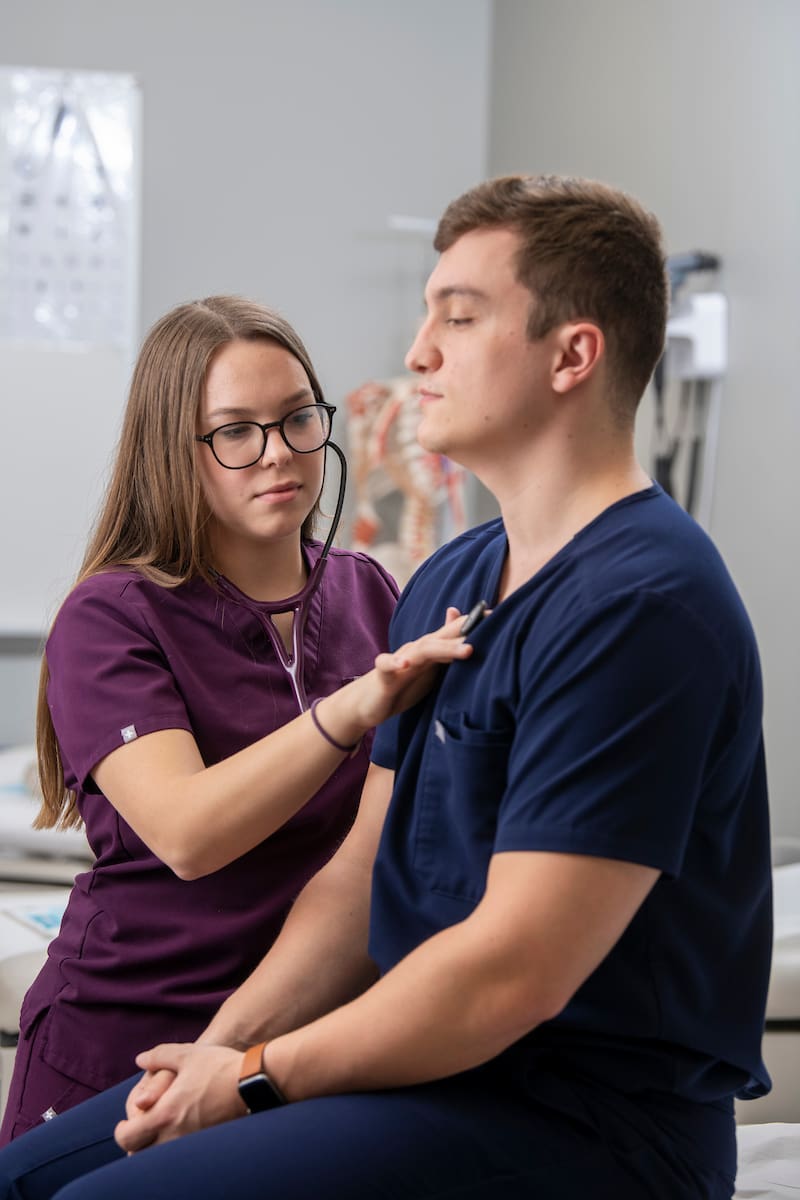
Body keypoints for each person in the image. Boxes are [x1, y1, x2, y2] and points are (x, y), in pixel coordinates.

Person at [0, 177, 772, 1200]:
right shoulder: (453, 583)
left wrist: (251, 1083)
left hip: (578, 1116)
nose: (415, 355)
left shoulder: (641, 604)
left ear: (570, 355)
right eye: (426, 317)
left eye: (456, 316)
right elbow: (354, 881)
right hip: (419, 1072)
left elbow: (509, 973)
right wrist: (214, 1058)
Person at [0, 294, 476, 1146]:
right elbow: (189, 834)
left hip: (300, 1043)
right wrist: (353, 704)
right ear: (172, 449)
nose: (278, 455)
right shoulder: (114, 615)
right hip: (128, 1042)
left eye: (298, 419)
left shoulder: (370, 592)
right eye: (235, 432)